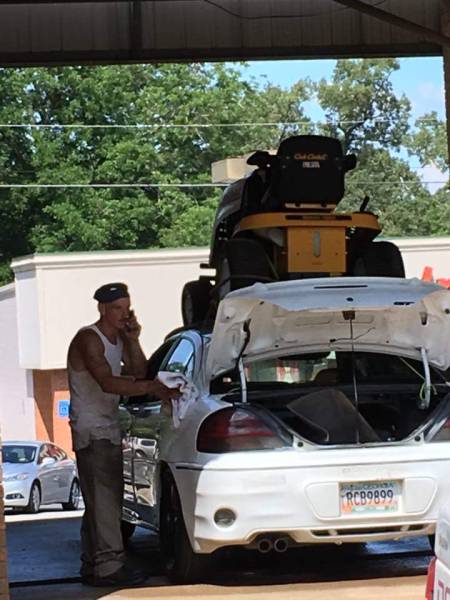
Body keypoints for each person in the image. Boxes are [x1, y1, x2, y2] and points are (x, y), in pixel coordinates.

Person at [67, 282, 179, 587]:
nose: (123, 314)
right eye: (117, 308)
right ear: (103, 308)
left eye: (126, 308)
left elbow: (139, 370)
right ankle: (109, 567)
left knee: (98, 500)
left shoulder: (118, 338)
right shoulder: (88, 339)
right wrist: (156, 388)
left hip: (107, 427)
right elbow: (108, 382)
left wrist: (132, 340)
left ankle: (92, 563)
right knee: (106, 500)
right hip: (93, 430)